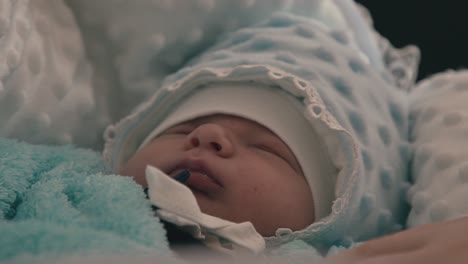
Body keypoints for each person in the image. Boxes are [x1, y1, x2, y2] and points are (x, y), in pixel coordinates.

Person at [103, 7, 413, 254]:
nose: (207, 134)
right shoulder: (70, 193)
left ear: (330, 215)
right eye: (180, 130)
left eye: (266, 148)